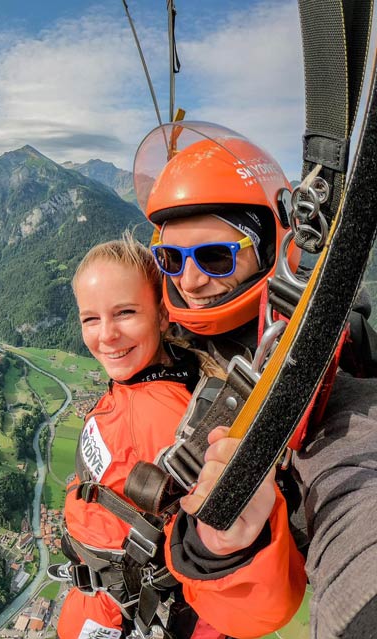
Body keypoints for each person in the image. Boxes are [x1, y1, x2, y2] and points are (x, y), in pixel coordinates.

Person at [135, 121, 377, 639]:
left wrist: (222, 545)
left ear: (271, 243)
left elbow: (355, 473)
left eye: (216, 256)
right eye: (170, 259)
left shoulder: (314, 362)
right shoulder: (160, 334)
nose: (190, 280)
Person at [55, 235, 305, 639]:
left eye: (125, 313)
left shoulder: (168, 421)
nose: (107, 335)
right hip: (113, 607)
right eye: (91, 319)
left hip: (132, 619)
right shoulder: (151, 380)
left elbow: (231, 579)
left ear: (162, 315)